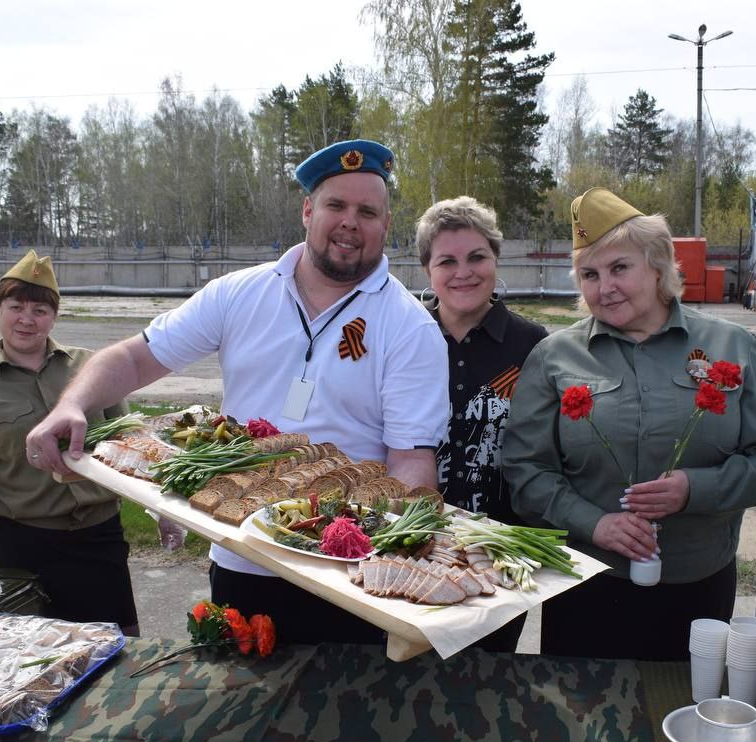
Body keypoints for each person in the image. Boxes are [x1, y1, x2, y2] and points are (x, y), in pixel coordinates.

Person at [24, 139, 448, 647]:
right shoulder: (239, 294)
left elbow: (410, 458)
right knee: (236, 714)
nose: (350, 222)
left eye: (368, 211)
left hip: (344, 577)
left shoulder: (408, 325)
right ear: (308, 211)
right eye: (336, 205)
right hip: (241, 554)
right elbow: (137, 357)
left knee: (346, 721)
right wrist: (71, 404)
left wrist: (386, 558)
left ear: (386, 225)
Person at [503, 188, 756, 661]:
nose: (604, 287)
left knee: (682, 713)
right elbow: (525, 471)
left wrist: (695, 490)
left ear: (658, 265)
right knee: (582, 721)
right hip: (586, 583)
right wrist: (596, 525)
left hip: (698, 585)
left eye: (620, 268)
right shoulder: (555, 357)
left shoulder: (733, 346)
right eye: (589, 275)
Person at [0, 251, 142, 635]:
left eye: (40, 310)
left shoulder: (93, 368)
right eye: (16, 306)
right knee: (40, 658)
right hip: (27, 546)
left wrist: (161, 506)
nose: (27, 319)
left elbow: (131, 442)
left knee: (120, 646)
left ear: (54, 316)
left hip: (100, 536)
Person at [414, 196, 546, 652]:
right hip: (414, 544)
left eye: (477, 257)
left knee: (488, 679)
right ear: (427, 271)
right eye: (446, 261)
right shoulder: (407, 339)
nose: (463, 272)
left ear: (495, 260)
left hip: (501, 551)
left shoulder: (533, 346)